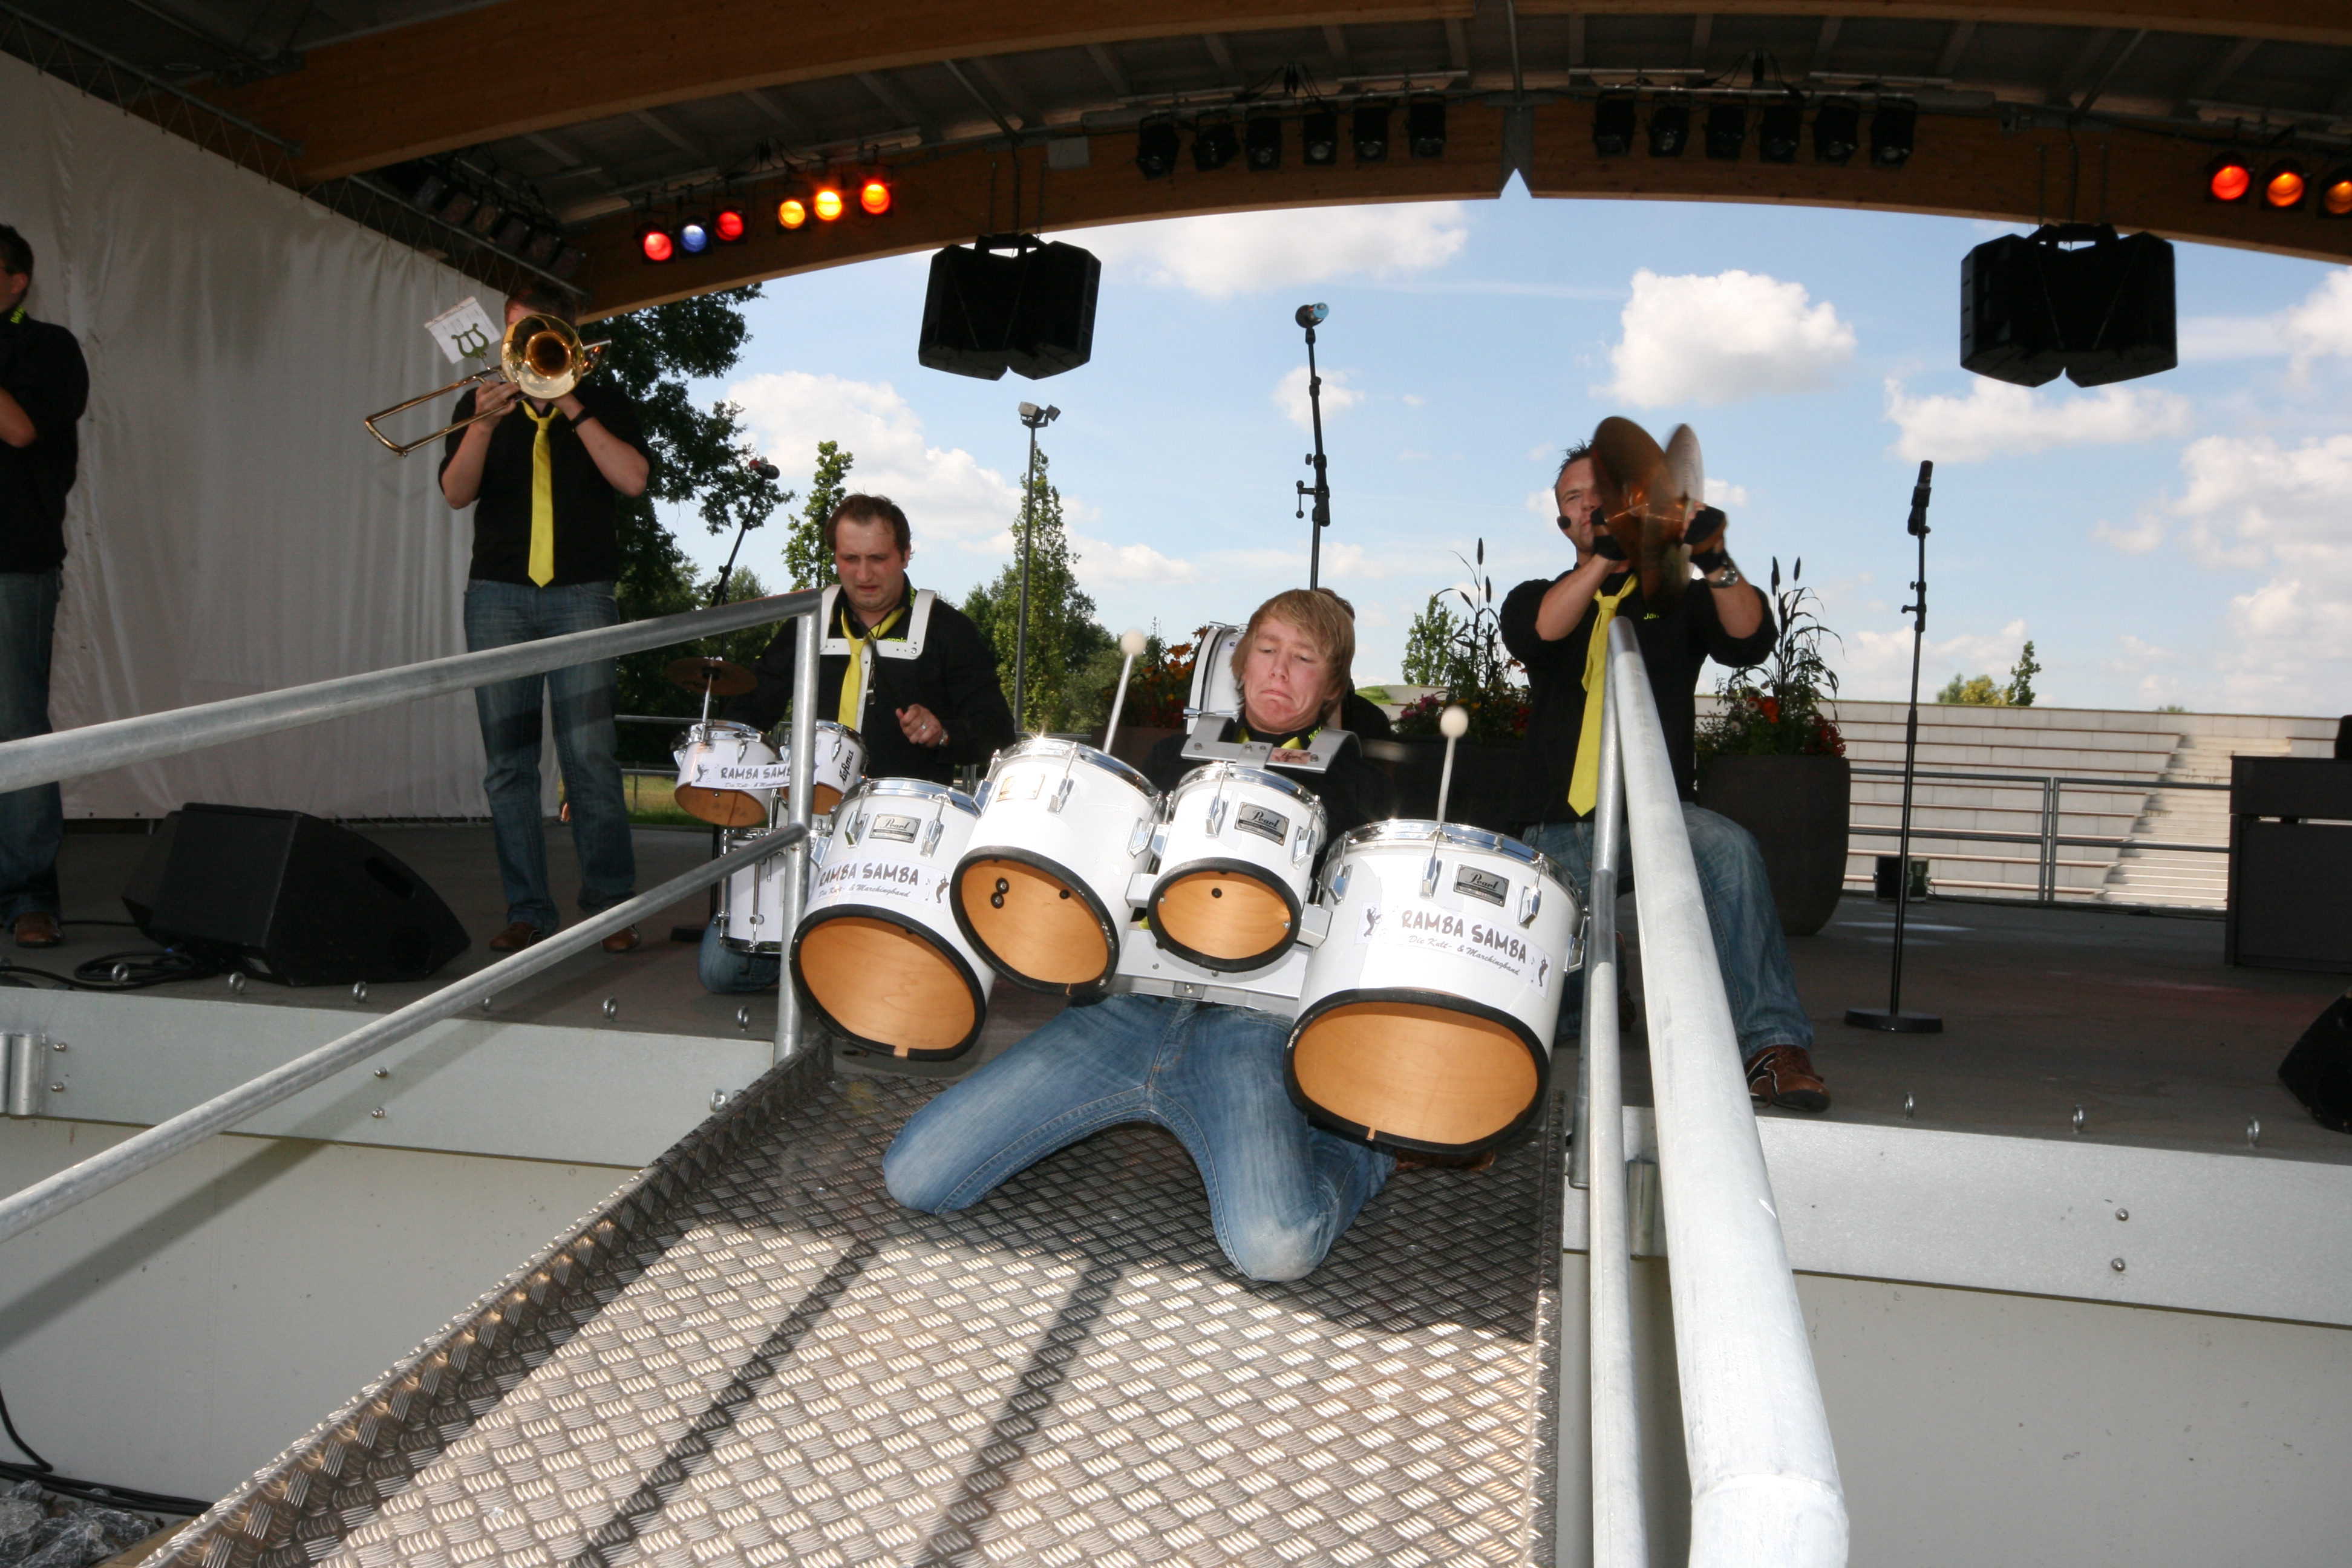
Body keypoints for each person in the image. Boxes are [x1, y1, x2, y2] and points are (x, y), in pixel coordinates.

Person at [884, 588, 1399, 1282]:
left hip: (1252, 1023)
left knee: (1276, 1249)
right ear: (1241, 665)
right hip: (1124, 1009)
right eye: (1268, 651)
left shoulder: (1359, 787)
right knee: (915, 1175)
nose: (1280, 670)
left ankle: (1362, 1151)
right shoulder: (1169, 758)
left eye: (1304, 658)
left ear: (1332, 684)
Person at [1500, 437, 1831, 1112]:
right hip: (1554, 827)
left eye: (1602, 492)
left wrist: (1713, 557)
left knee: (1729, 848)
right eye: (1574, 498)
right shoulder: (1538, 595)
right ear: (1562, 522)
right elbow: (1539, 633)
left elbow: (1750, 640)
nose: (1589, 505)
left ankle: (1772, 1046)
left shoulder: (1677, 597)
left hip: (1655, 815)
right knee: (1560, 1015)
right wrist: (1606, 559)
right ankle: (1606, 968)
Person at [701, 492, 1015, 993]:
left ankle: (843, 958)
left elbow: (998, 733)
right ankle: (829, 958)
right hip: (804, 820)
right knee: (722, 972)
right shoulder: (807, 620)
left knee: (867, 979)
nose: (864, 574)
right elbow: (755, 703)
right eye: (850, 559)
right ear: (835, 557)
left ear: (906, 555)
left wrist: (943, 732)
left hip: (898, 836)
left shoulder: (950, 631)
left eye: (878, 558)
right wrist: (718, 745)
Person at [439, 288, 651, 953]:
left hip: (582, 594)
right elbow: (455, 493)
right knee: (509, 766)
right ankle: (528, 909)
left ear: (568, 335)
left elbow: (633, 480)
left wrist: (570, 402)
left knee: (590, 758)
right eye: (516, 332)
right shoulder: (481, 405)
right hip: (497, 596)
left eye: (537, 331)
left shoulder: (605, 402)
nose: (524, 343)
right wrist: (481, 425)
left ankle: (609, 907)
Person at [0, 224, 88, 951]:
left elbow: (21, 430)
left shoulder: (47, 347)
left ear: (16, 280)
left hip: (13, 559)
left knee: (16, 724)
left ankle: (29, 893)